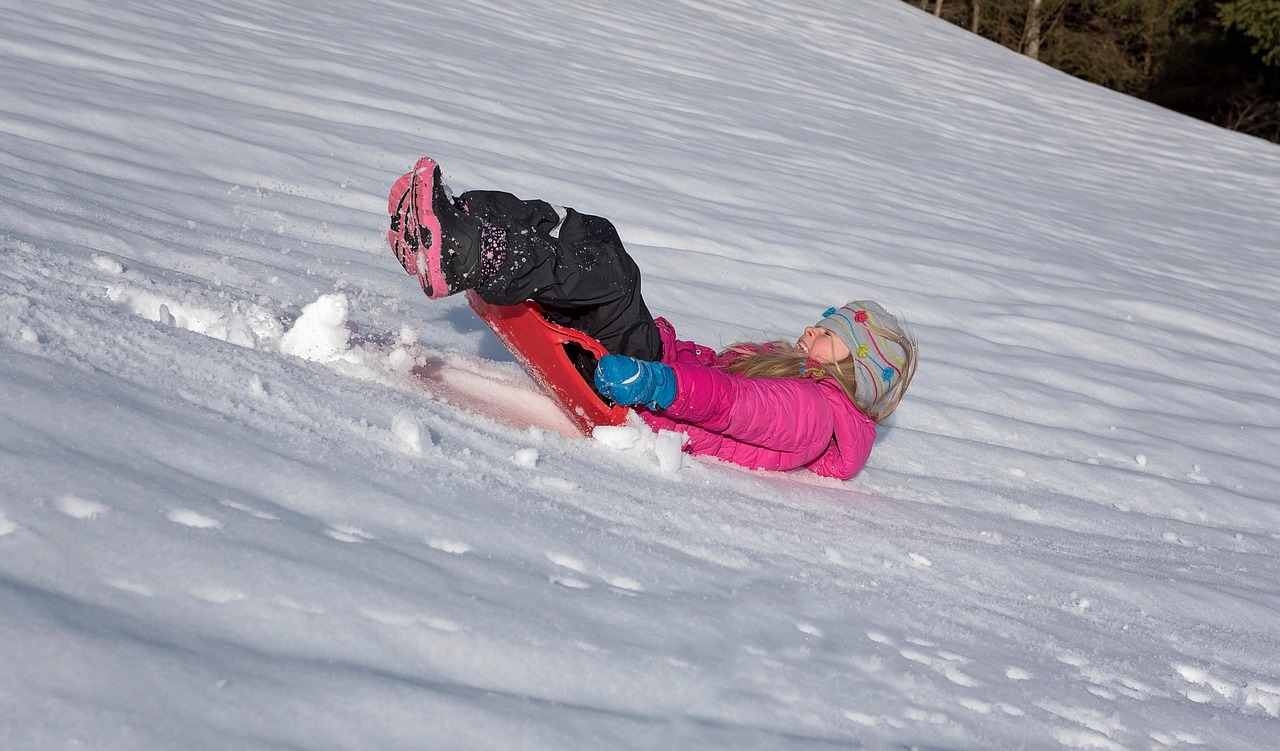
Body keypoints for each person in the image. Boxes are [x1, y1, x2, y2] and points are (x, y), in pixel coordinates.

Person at [388, 157, 917, 479]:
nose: (811, 331)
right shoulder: (805, 388)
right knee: (593, 236)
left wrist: (655, 382)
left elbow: (729, 404)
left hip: (648, 392)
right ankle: (456, 224)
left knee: (610, 277)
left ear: (857, 367)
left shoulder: (814, 413)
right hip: (652, 368)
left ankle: (463, 248)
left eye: (828, 334)